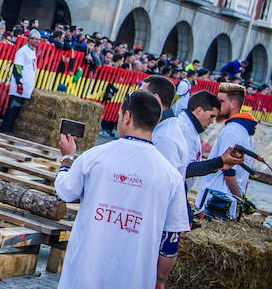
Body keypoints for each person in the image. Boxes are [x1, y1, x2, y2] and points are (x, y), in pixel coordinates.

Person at [55, 90, 190, 289]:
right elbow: (170, 241)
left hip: (85, 274)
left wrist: (67, 158)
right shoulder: (171, 176)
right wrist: (160, 279)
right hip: (135, 278)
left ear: (126, 117)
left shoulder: (96, 157)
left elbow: (64, 191)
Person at [196, 83, 256, 217]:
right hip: (225, 200)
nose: (217, 105)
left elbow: (228, 170)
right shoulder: (244, 131)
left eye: (221, 101)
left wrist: (239, 199)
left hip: (217, 200)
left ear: (233, 104)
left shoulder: (232, 131)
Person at [0, 29, 40, 134]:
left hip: (27, 85)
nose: (36, 41)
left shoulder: (33, 51)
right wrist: (19, 82)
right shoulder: (23, 51)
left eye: (38, 39)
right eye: (34, 39)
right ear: (29, 39)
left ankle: (10, 128)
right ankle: (5, 129)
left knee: (18, 109)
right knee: (12, 108)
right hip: (20, 85)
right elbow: (17, 67)